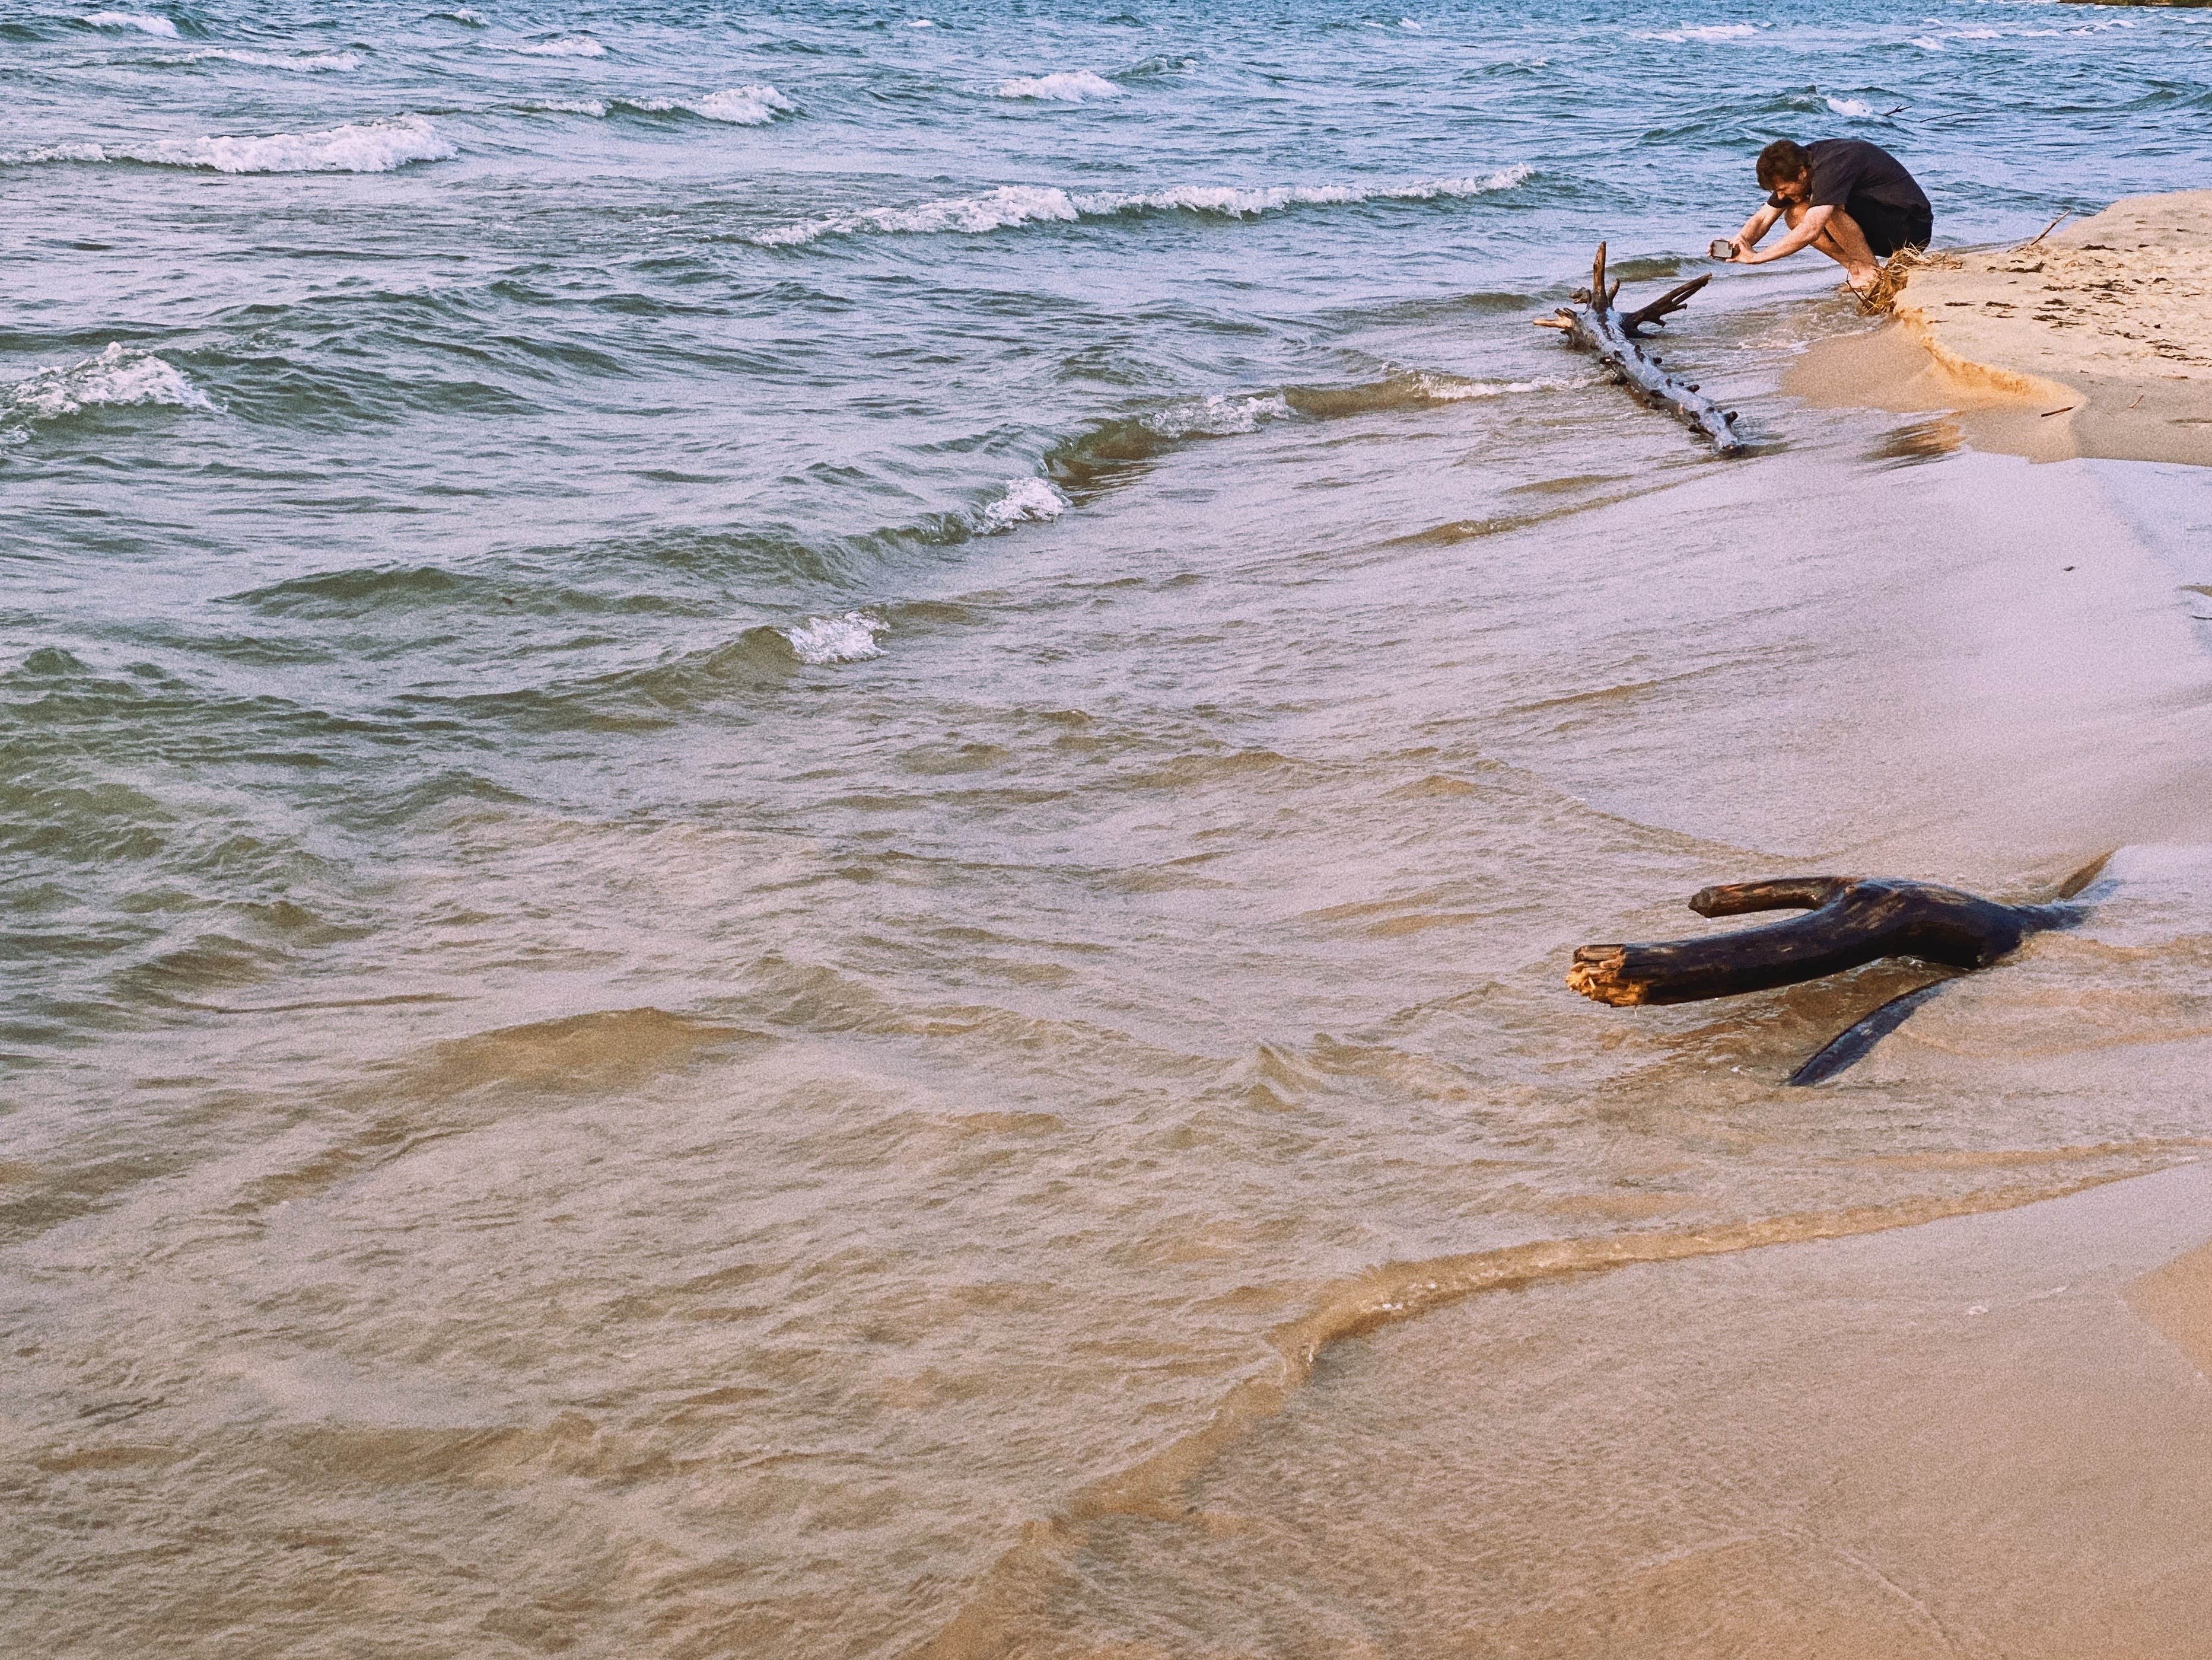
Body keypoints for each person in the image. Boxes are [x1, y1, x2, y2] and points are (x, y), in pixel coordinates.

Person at [1723, 138, 1933, 296]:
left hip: (1911, 228)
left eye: (1783, 189)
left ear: (1802, 174)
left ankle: (1871, 275)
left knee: (1824, 211)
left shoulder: (1832, 166)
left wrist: (1758, 257)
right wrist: (1741, 242)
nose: (1780, 196)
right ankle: (1859, 271)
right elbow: (1763, 218)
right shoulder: (1800, 163)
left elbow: (1812, 229)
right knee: (1795, 214)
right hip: (1883, 223)